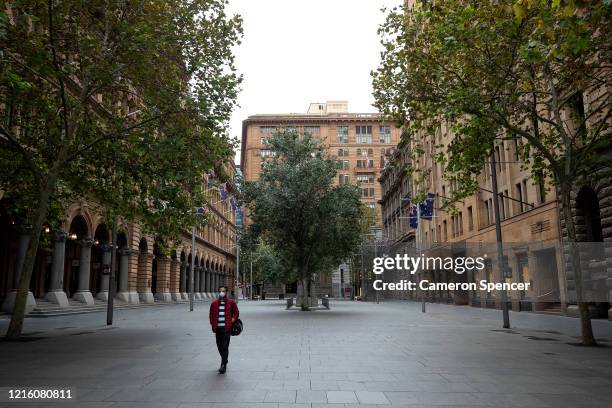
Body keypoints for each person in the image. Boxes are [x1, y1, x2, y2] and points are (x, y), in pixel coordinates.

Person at [209, 285, 239, 374]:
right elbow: (211, 315)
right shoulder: (214, 304)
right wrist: (212, 324)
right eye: (220, 291)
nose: (222, 292)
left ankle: (223, 365)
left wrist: (232, 320)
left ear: (226, 292)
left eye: (223, 291)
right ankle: (225, 360)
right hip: (217, 329)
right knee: (219, 346)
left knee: (225, 346)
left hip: (226, 328)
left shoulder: (231, 303)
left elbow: (236, 313)